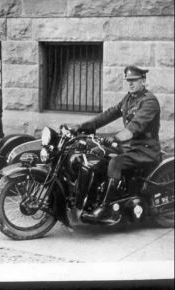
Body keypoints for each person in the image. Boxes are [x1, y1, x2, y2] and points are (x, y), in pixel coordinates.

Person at [67, 65, 161, 222]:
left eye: (134, 80)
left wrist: (116, 138)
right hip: (131, 148)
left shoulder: (149, 101)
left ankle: (105, 210)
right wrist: (83, 127)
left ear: (143, 81)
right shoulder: (129, 98)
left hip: (145, 150)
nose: (130, 84)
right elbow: (109, 114)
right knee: (97, 164)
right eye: (128, 81)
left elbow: (135, 126)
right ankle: (89, 204)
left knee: (115, 163)